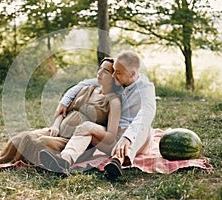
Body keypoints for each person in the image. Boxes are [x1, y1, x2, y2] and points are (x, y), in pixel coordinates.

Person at [0, 58, 121, 171]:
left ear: (114, 77)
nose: (99, 73)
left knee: (38, 142)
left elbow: (110, 134)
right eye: (100, 68)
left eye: (106, 71)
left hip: (73, 141)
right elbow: (63, 111)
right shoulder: (87, 89)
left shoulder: (113, 101)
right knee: (23, 136)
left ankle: (47, 162)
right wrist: (55, 126)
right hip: (58, 131)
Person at [52, 50, 156, 178]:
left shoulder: (146, 89)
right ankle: (64, 161)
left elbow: (145, 115)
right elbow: (85, 83)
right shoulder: (118, 79)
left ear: (132, 74)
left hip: (137, 138)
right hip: (114, 137)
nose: (113, 76)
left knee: (144, 128)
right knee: (86, 127)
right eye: (113, 71)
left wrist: (128, 137)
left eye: (117, 73)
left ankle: (118, 160)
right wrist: (64, 102)